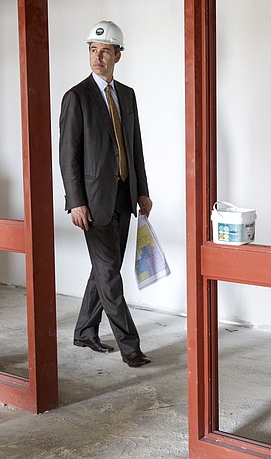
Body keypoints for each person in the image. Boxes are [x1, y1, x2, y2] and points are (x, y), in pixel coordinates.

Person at [59, 21, 153, 368]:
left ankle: (84, 330)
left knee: (104, 269)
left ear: (118, 55)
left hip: (124, 197)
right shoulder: (76, 98)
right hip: (93, 203)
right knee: (110, 274)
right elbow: (67, 156)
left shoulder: (126, 96)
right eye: (92, 50)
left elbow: (135, 147)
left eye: (104, 51)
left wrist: (142, 191)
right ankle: (131, 347)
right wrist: (76, 201)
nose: (97, 57)